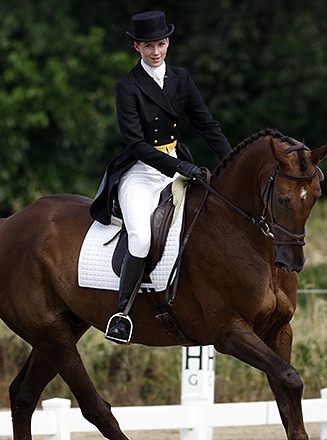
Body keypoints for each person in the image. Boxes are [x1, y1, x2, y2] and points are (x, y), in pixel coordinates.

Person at [90, 10, 232, 344]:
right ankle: (122, 314)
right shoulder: (127, 86)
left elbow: (206, 125)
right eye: (148, 45)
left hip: (176, 168)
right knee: (141, 238)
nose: (156, 51)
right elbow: (136, 144)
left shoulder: (181, 78)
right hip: (141, 173)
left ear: (168, 42)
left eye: (161, 44)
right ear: (136, 47)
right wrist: (178, 167)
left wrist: (231, 161)